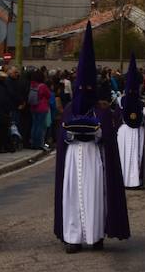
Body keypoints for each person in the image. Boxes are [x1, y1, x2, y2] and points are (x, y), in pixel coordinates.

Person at [53, 23, 129, 254]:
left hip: (94, 156)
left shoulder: (102, 111)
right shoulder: (68, 110)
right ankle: (73, 237)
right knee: (72, 195)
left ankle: (95, 235)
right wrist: (69, 135)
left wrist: (97, 134)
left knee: (95, 194)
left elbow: (108, 137)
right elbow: (61, 136)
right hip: (72, 157)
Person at [115, 56, 145, 189]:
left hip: (138, 131)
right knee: (124, 156)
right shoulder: (120, 101)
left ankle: (135, 180)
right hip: (124, 132)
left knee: (137, 156)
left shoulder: (141, 103)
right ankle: (123, 180)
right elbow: (117, 117)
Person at [28, 69, 51, 150]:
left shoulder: (32, 85)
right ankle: (39, 144)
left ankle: (33, 143)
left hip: (33, 107)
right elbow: (49, 95)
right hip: (42, 107)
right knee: (41, 126)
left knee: (34, 125)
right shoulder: (43, 86)